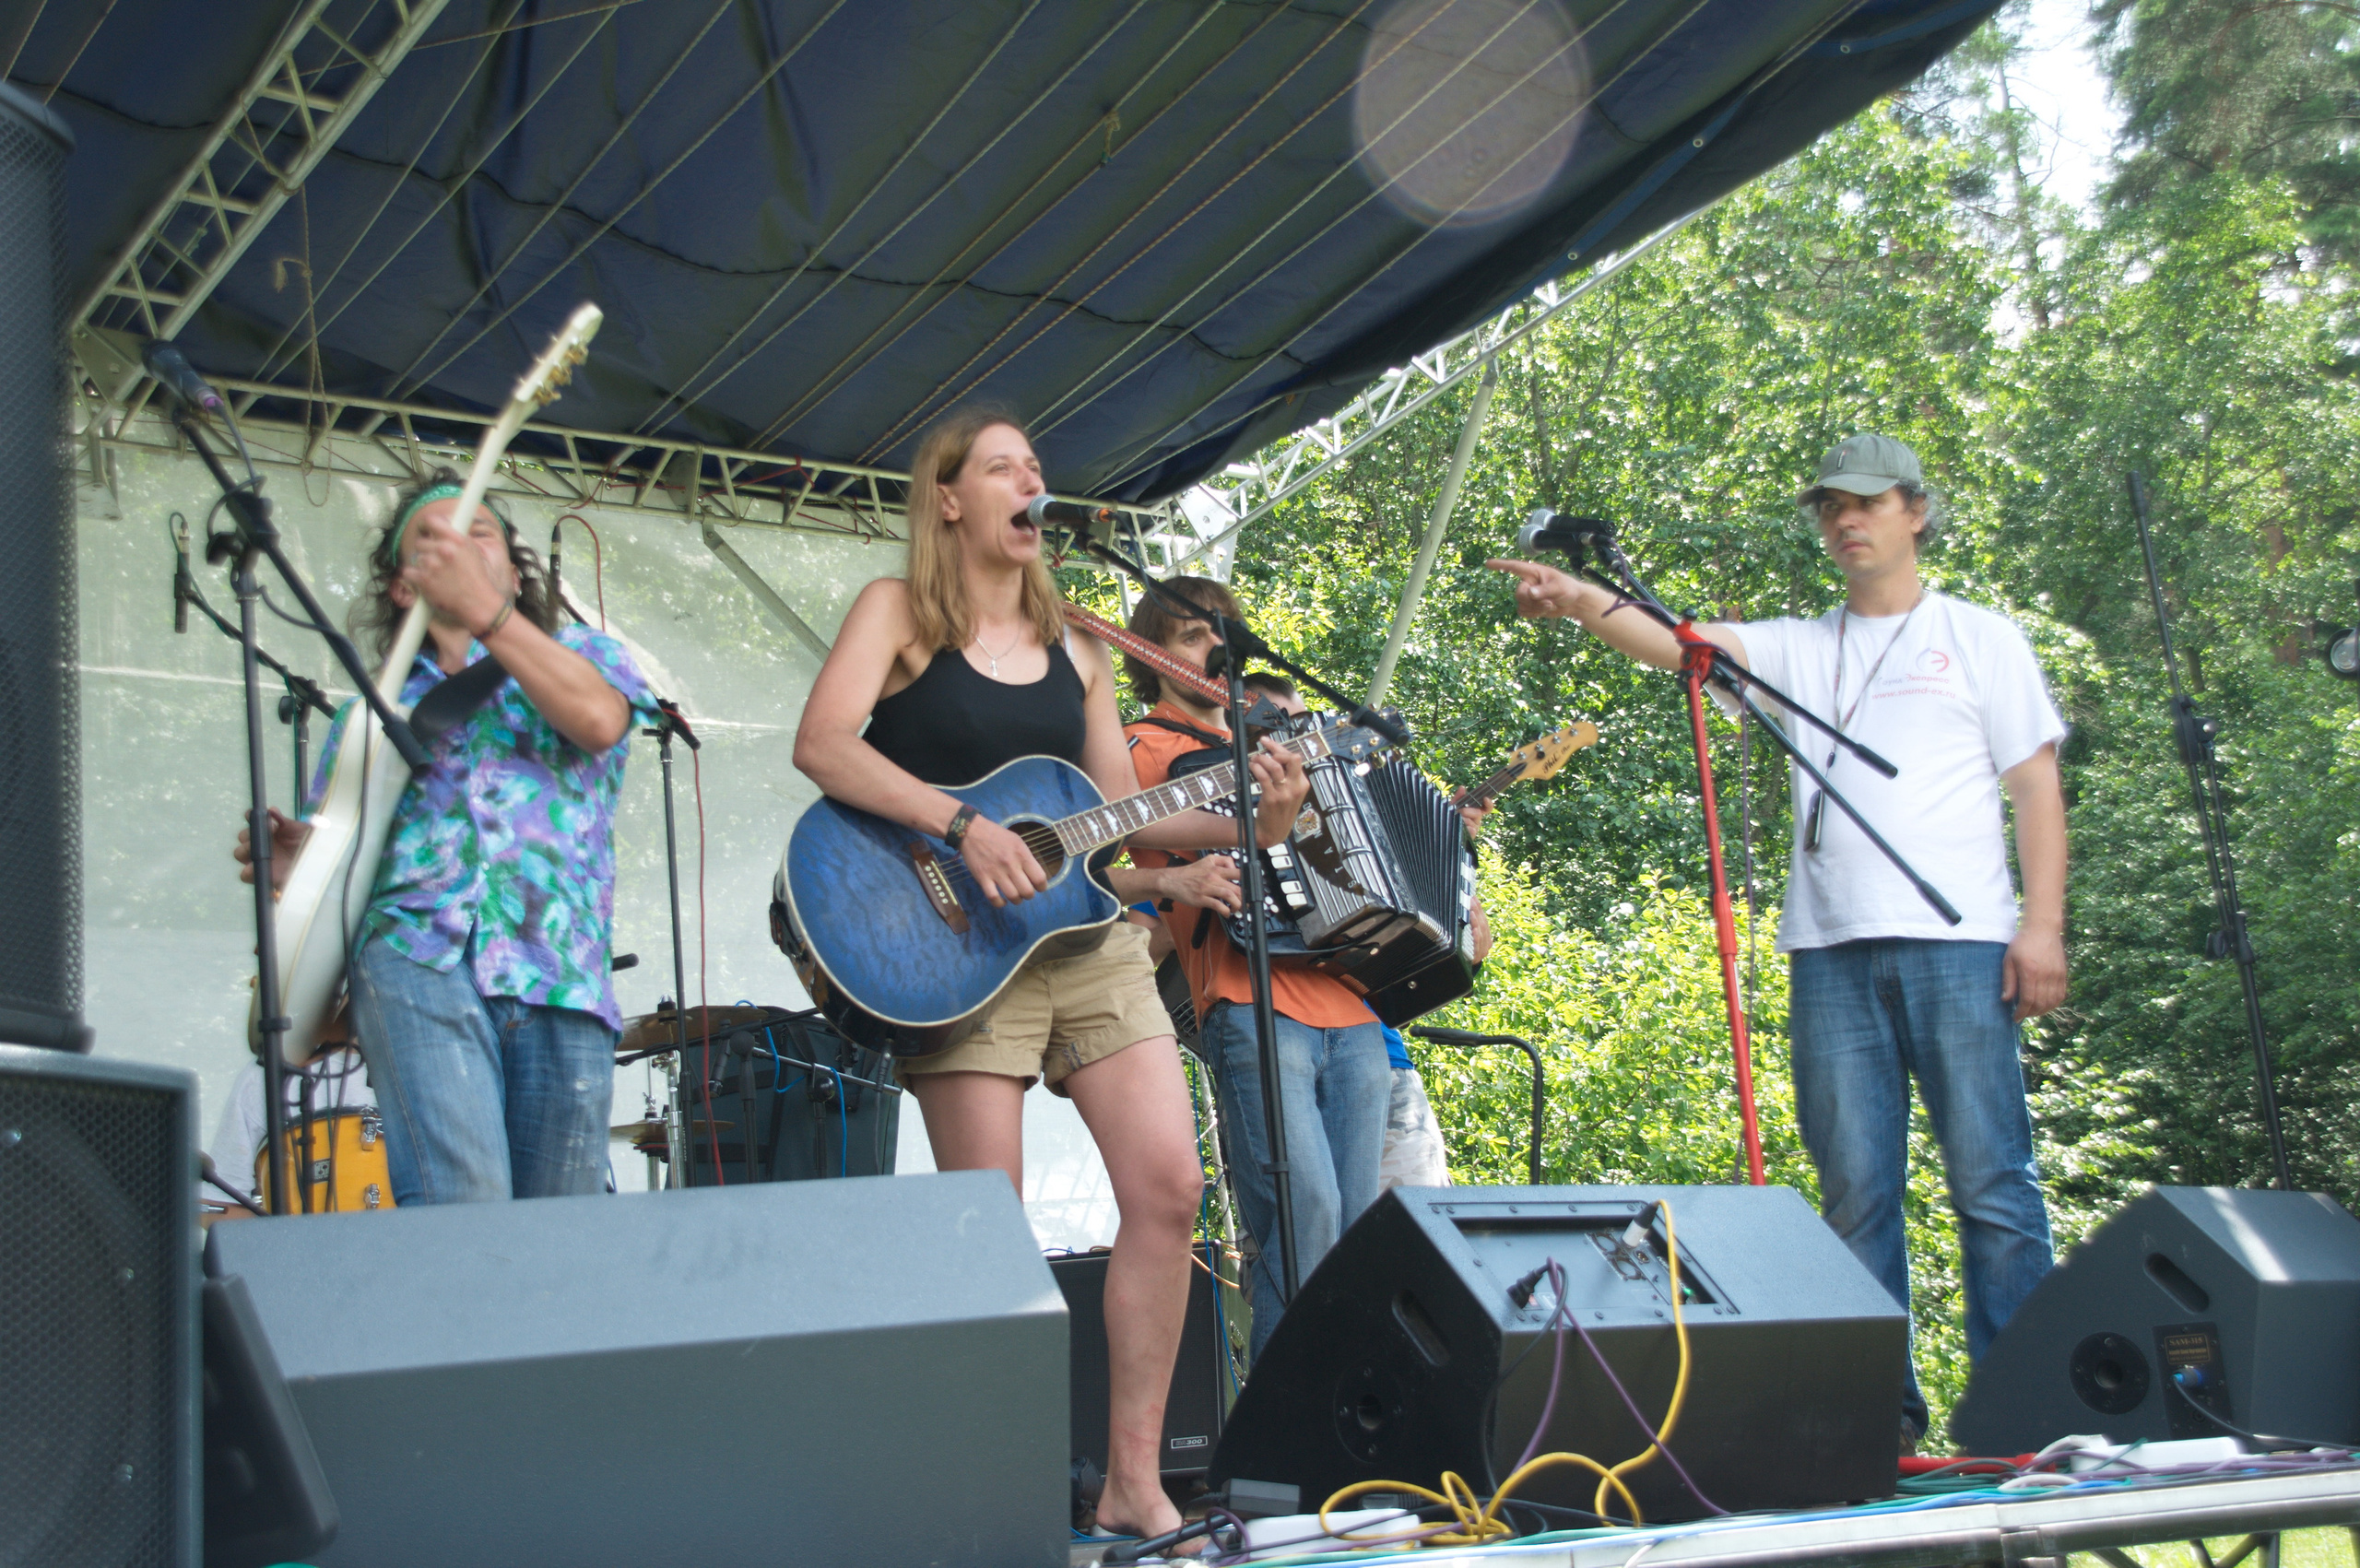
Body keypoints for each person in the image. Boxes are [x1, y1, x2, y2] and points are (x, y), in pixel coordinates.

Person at [1489, 432, 2067, 1446]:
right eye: (1830, 507)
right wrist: (1578, 598)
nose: (1845, 520)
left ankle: (2022, 1419)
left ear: (1915, 511)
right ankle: (1878, 1425)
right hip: (1829, 953)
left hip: (1963, 942)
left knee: (1993, 1184)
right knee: (1855, 1197)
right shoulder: (1802, 643)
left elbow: (2035, 788)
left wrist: (2043, 927)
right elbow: (1676, 642)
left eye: (1866, 502)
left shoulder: (1980, 638)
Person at [791, 409, 1304, 1542]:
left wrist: (1256, 824)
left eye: (1036, 467)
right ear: (949, 499)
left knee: (1170, 1189)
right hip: (948, 946)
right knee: (992, 1223)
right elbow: (822, 744)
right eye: (1003, 467)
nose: (1031, 480)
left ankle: (1133, 1482)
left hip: (1088, 942)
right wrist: (962, 824)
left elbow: (1126, 819)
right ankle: (997, 1483)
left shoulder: (1080, 646)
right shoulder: (896, 611)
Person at [236, 468, 658, 1206]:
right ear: (404, 586)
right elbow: (337, 874)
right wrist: (303, 865)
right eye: (432, 538)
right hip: (414, 956)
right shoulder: (368, 717)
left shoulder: (586, 654)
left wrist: (489, 615)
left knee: (562, 1238)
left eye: (478, 532)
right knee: (461, 1207)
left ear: (512, 569)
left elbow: (598, 721)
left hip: (559, 971)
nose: (457, 545)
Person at [1119, 587, 1394, 1361]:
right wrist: (1249, 825)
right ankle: (1277, 1427)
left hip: (1352, 1002)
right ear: (1150, 656)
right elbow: (1119, 835)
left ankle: (1329, 1416)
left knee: (1353, 1234)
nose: (1212, 649)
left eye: (1222, 634)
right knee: (1303, 1220)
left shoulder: (1282, 737)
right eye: (1191, 635)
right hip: (1249, 998)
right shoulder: (1141, 743)